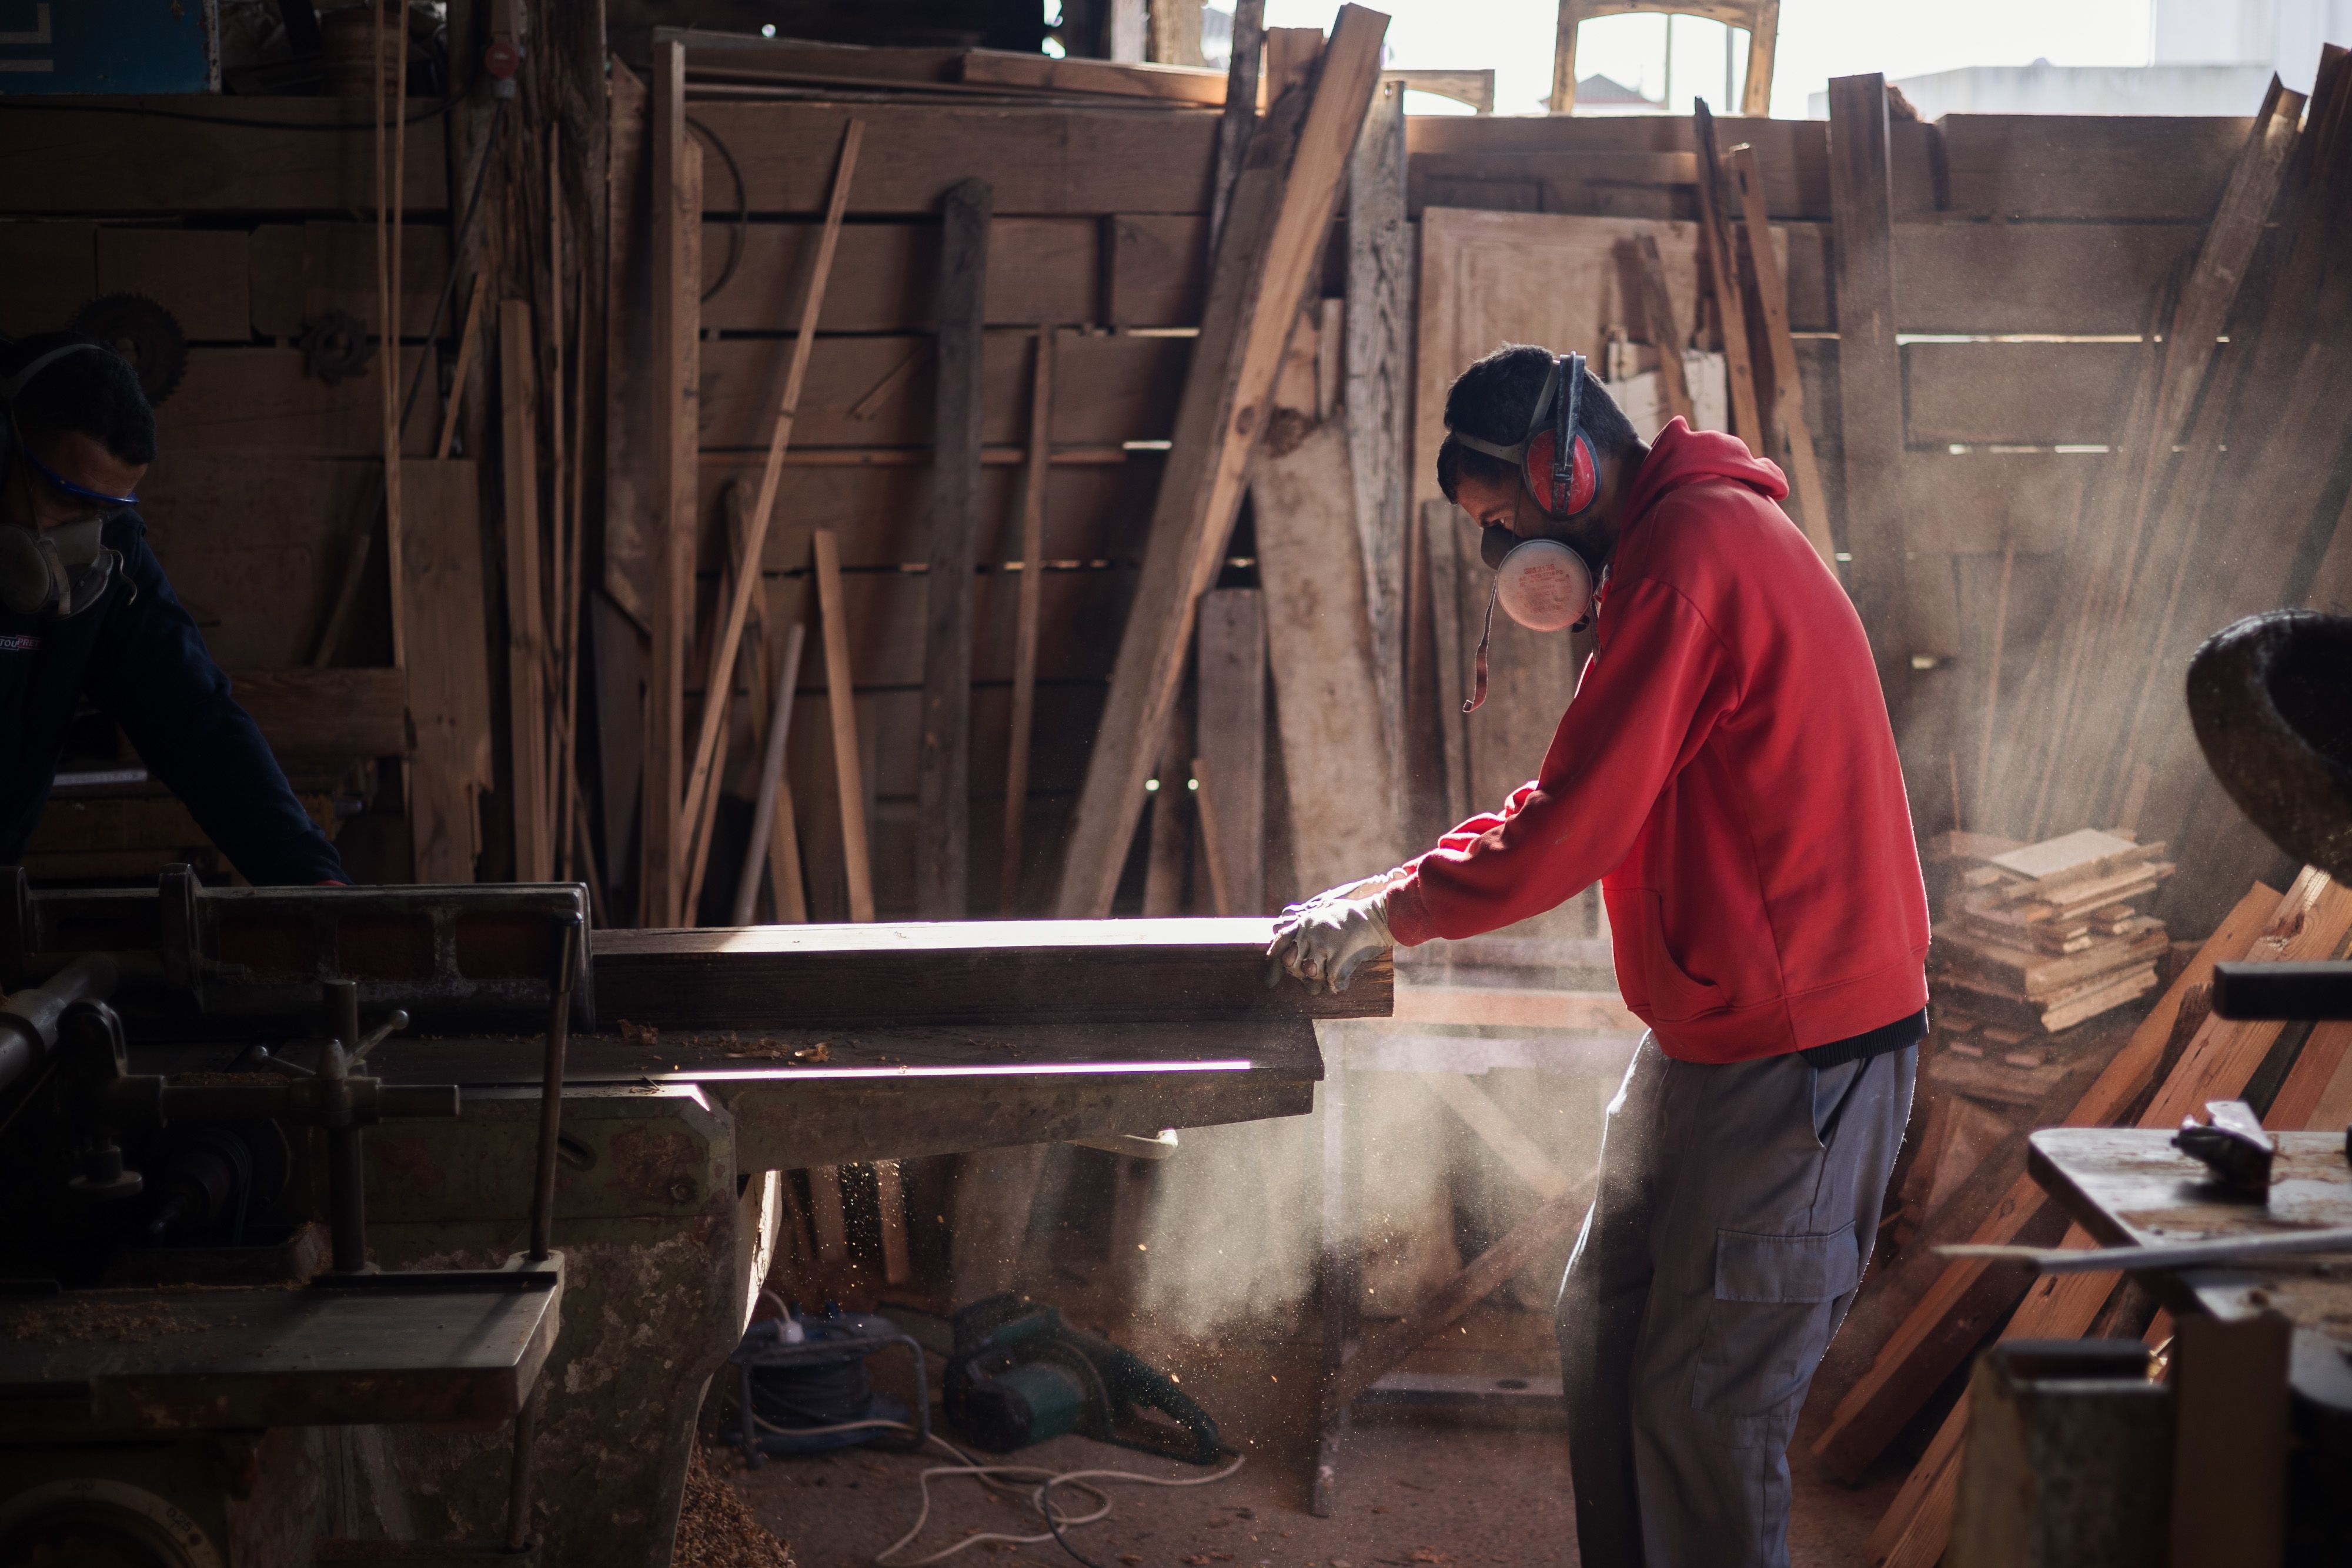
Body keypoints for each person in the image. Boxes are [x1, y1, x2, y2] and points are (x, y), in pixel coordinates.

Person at [1269, 343, 1927, 1568]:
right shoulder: (1667, 553)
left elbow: (1574, 828)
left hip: (1801, 1053)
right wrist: (1382, 889)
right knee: (1606, 1323)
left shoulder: (1693, 556)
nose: (1505, 545)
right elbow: (1574, 787)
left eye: (1500, 515)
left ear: (1562, 469)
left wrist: (1398, 914)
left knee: (1703, 1405)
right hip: (1716, 1034)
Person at [0, 333, 346, 885]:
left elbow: (194, 719)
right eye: (66, 498)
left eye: (105, 510)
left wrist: (309, 877)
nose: (81, 541)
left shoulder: (111, 560)